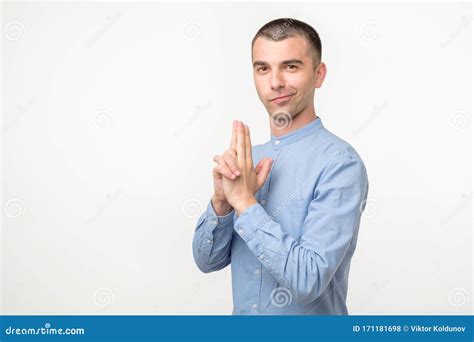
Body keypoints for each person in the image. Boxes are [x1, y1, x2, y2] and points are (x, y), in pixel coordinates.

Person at [192, 18, 369, 315]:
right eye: (263, 68)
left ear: (318, 74)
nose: (275, 82)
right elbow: (207, 261)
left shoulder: (340, 164)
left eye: (291, 66)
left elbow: (308, 281)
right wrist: (222, 203)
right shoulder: (249, 161)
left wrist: (246, 205)